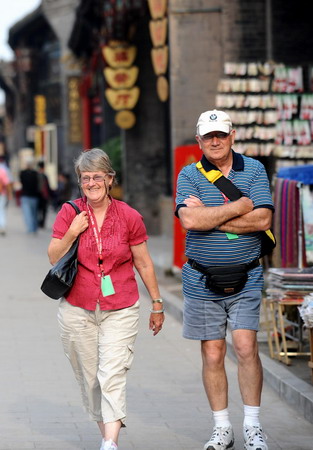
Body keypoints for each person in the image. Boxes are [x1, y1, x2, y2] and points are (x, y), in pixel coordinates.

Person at [47, 148, 165, 450]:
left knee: (111, 373)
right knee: (90, 379)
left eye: (97, 177)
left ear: (110, 179)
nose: (91, 183)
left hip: (121, 306)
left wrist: (156, 303)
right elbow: (53, 257)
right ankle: (107, 435)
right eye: (85, 178)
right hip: (77, 306)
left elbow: (144, 263)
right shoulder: (69, 212)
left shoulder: (129, 216)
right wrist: (72, 232)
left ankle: (110, 444)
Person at [175, 110, 274, 450]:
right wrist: (240, 206)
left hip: (247, 276)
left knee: (246, 347)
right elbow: (188, 220)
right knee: (214, 353)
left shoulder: (255, 169)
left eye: (221, 134)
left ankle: (253, 425)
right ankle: (222, 428)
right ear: (199, 140)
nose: (215, 141)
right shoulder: (188, 174)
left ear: (232, 135)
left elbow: (262, 219)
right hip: (201, 280)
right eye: (208, 136)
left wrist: (210, 217)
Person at [19, 155, 40, 233]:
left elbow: (21, 182)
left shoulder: (22, 173)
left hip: (25, 195)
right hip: (34, 196)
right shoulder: (36, 173)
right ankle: (34, 228)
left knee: (27, 213)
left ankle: (30, 228)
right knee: (34, 213)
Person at [0, 155, 13, 235]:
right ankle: (2, 226)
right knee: (1, 210)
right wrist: (10, 194)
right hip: (2, 194)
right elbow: (7, 183)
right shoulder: (2, 170)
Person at [37, 161, 52, 228]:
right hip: (44, 196)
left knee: (38, 210)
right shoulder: (45, 176)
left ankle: (39, 222)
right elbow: (47, 186)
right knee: (43, 211)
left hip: (38, 196)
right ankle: (42, 223)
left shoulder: (36, 175)